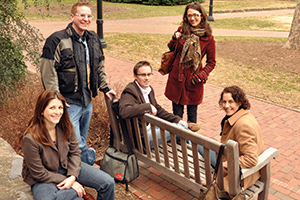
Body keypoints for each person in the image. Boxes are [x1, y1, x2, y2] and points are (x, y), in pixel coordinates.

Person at [40, 2, 116, 165]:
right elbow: (48, 70)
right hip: (68, 102)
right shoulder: (57, 39)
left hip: (87, 100)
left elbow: (99, 65)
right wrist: (56, 99)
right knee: (76, 142)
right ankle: (86, 163)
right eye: (82, 15)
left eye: (89, 16)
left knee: (79, 137)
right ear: (72, 16)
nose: (86, 19)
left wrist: (105, 88)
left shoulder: (93, 38)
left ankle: (74, 167)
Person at [20, 89, 115, 200]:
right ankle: (78, 194)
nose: (57, 112)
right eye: (52, 108)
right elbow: (39, 173)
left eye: (60, 108)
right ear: (41, 110)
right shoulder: (30, 138)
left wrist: (72, 177)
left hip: (67, 167)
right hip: (44, 176)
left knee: (108, 183)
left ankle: (73, 192)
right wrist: (72, 184)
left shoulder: (66, 127)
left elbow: (75, 153)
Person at [201, 86, 264, 191]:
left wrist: (220, 171)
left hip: (240, 175)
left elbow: (251, 159)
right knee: (201, 146)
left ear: (239, 102)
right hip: (228, 156)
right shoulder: (244, 114)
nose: (226, 106)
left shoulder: (243, 125)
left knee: (201, 146)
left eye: (231, 102)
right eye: (224, 102)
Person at [164, 2, 216, 131]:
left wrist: (201, 76)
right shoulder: (181, 30)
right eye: (189, 16)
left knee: (192, 118)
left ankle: (189, 143)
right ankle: (176, 141)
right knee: (177, 116)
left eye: (195, 15)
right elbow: (171, 48)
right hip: (176, 78)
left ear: (202, 16)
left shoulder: (208, 38)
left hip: (193, 80)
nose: (192, 18)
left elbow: (211, 62)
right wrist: (174, 38)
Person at [119, 61, 188, 148]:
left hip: (151, 129)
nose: (147, 78)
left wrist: (178, 120)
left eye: (149, 74)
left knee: (180, 127)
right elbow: (124, 111)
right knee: (180, 130)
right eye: (143, 75)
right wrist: (148, 106)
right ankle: (199, 156)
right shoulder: (130, 91)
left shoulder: (148, 89)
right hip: (142, 140)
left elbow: (158, 109)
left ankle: (193, 154)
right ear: (135, 76)